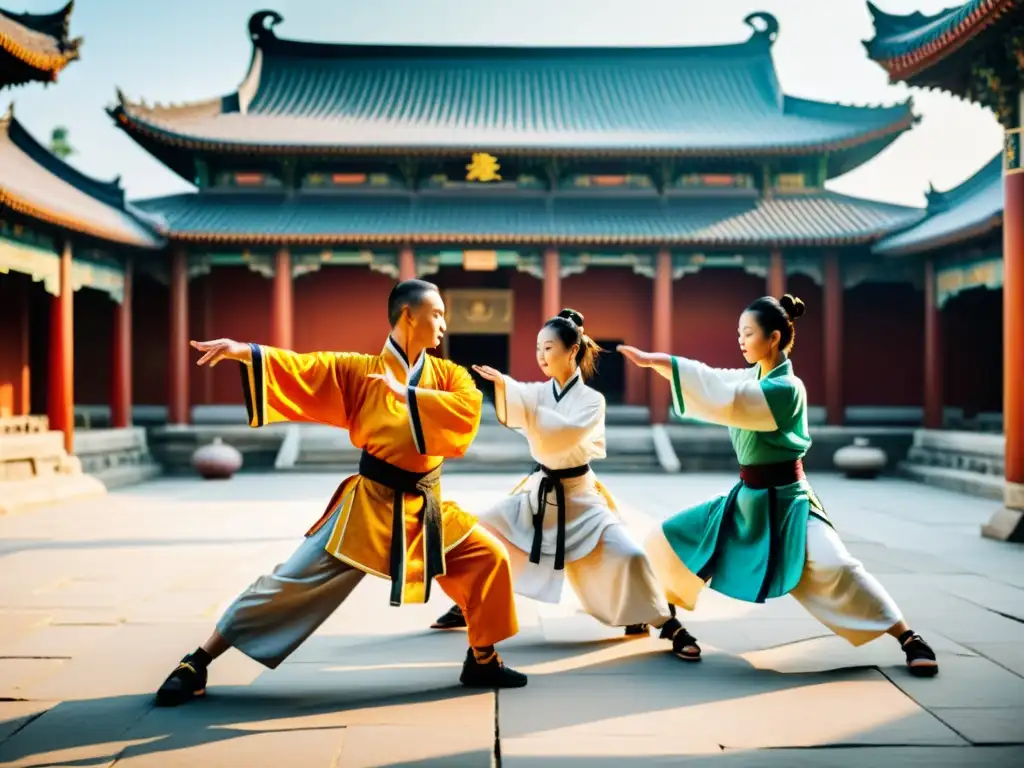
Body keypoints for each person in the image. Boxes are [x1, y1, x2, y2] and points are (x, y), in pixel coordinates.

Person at [154, 279, 527, 707]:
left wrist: (406, 394)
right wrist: (247, 352)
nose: (444, 321)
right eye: (437, 312)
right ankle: (198, 660)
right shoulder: (358, 371)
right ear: (408, 315)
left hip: (425, 509)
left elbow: (466, 411)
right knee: (288, 583)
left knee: (488, 558)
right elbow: (306, 368)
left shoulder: (449, 375)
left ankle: (482, 659)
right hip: (369, 505)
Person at [617, 294, 939, 677]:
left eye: (748, 333)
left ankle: (906, 636)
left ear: (773, 338)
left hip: (790, 502)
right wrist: (662, 363)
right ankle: (660, 616)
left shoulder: (786, 388)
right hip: (747, 501)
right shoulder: (752, 376)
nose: (740, 340)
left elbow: (726, 397)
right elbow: (716, 380)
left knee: (837, 566)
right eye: (739, 333)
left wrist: (663, 367)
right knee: (666, 539)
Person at [430, 309, 678, 642]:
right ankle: (468, 601)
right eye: (537, 348)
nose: (541, 356)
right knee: (478, 534)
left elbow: (565, 433)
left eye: (548, 348)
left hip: (581, 498)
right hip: (537, 497)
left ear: (572, 350)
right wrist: (504, 385)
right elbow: (523, 399)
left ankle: (659, 620)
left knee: (630, 555)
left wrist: (517, 395)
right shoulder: (538, 392)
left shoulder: (593, 401)